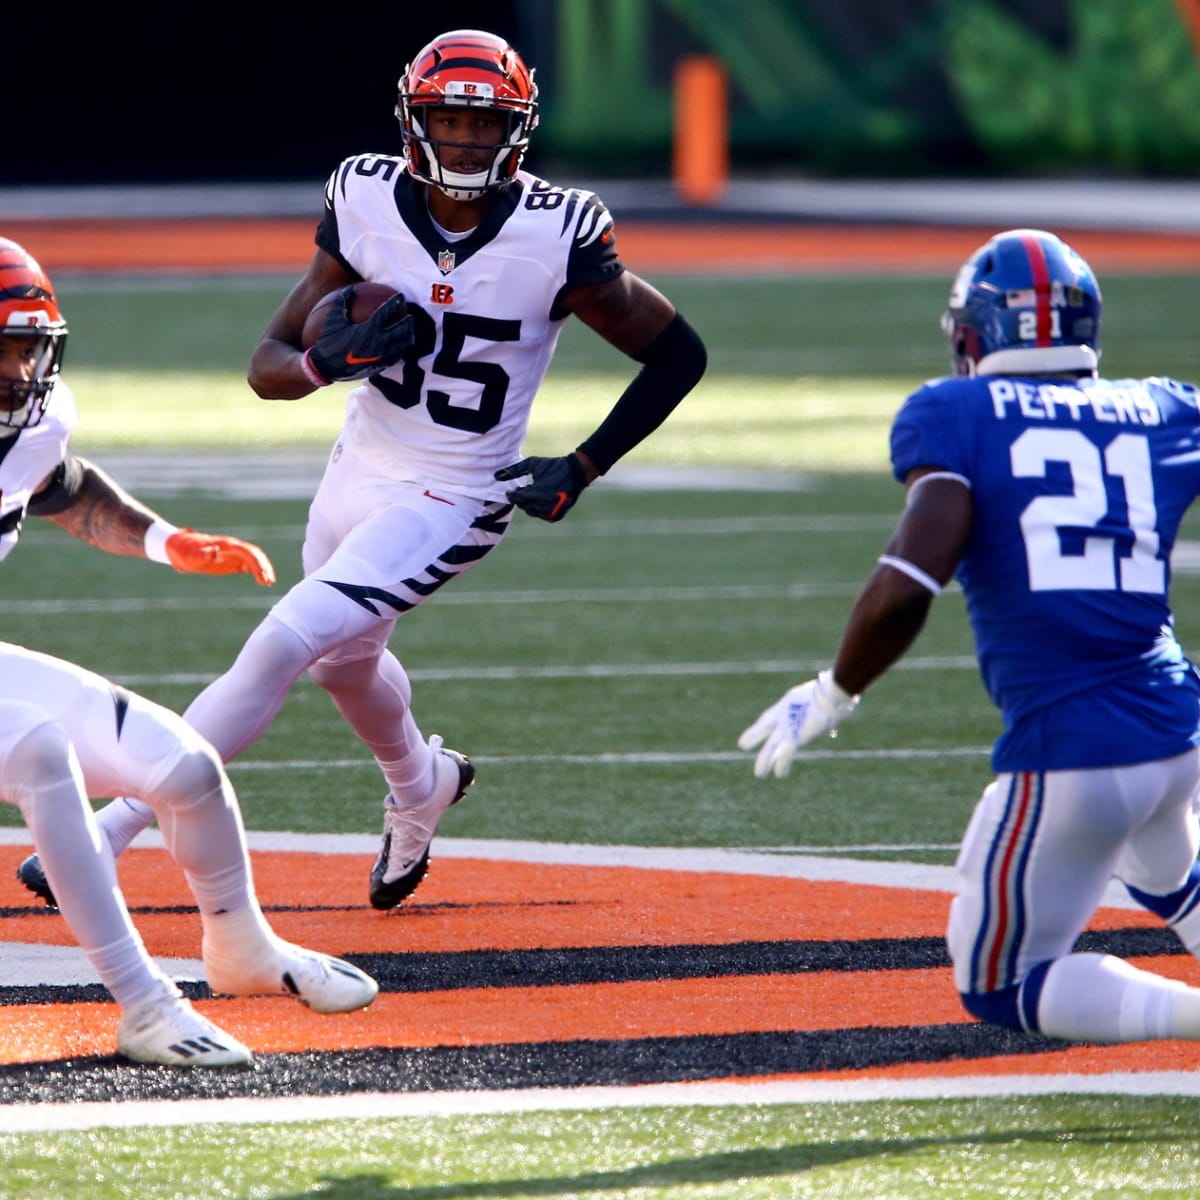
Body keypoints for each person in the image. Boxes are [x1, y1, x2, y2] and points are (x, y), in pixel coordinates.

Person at [30, 27, 707, 913]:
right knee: (341, 667)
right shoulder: (365, 198)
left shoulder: (558, 232)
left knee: (283, 640)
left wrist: (584, 463)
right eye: (447, 120)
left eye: (485, 122)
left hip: (456, 493)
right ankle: (423, 783)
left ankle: (110, 829)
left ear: (520, 128)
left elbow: (677, 355)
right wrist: (324, 367)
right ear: (409, 120)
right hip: (358, 468)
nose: (466, 141)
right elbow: (267, 362)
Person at [738, 228, 1200, 1047]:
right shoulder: (1168, 407)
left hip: (1075, 747)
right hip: (1179, 729)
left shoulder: (955, 410)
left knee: (1002, 983)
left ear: (971, 334)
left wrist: (835, 690)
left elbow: (914, 577)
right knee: (1163, 864)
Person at [0, 244, 378, 1066]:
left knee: (185, 766)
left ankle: (242, 951)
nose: (17, 371)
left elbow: (52, 481)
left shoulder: (38, 413)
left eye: (26, 347)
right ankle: (144, 1005)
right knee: (38, 748)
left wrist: (168, 542)